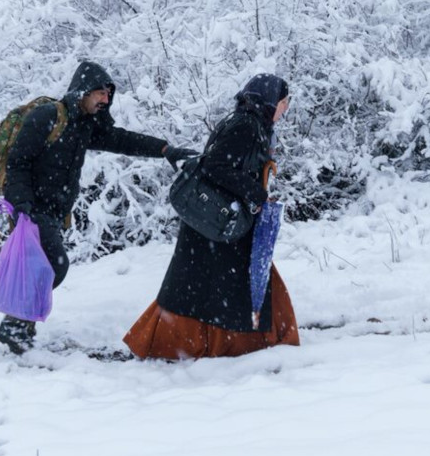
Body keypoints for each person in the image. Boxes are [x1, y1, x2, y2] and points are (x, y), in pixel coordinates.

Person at [0, 60, 199, 354]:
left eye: (108, 94)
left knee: (43, 269)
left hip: (52, 211)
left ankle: (17, 330)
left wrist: (165, 149)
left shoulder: (84, 126)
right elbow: (18, 161)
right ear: (83, 91)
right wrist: (23, 205)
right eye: (100, 93)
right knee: (54, 266)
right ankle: (15, 327)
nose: (105, 100)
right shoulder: (47, 116)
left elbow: (123, 140)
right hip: (32, 208)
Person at [124, 73, 300, 359]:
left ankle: (211, 343)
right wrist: (255, 193)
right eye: (284, 102)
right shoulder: (246, 125)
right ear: (270, 101)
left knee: (204, 288)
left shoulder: (250, 123)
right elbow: (216, 166)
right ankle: (235, 343)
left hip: (218, 223)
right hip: (220, 223)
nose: (286, 108)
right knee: (227, 286)